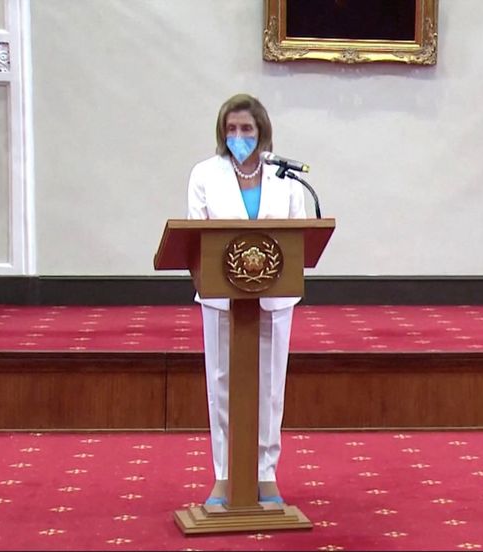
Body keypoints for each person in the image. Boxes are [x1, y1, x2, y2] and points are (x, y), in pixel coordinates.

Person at [187, 93, 307, 506]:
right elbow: (196, 237)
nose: (239, 136)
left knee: (270, 388)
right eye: (232, 128)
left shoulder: (284, 178)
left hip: (274, 297)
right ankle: (224, 473)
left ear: (262, 132)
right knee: (221, 384)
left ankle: (265, 473)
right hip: (221, 297)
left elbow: (300, 236)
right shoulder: (205, 174)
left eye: (247, 129)